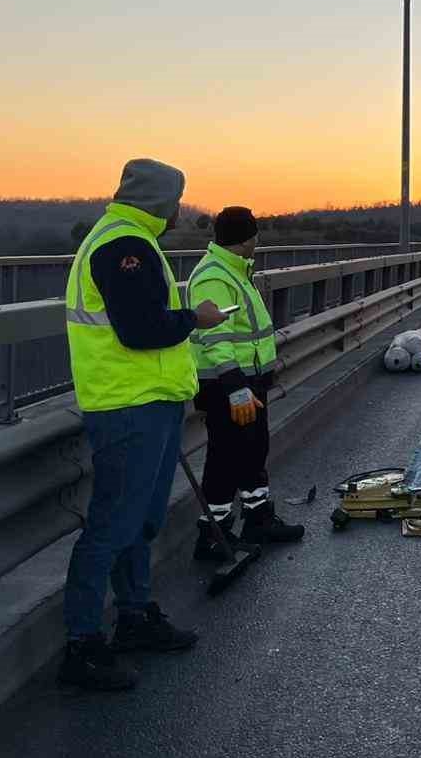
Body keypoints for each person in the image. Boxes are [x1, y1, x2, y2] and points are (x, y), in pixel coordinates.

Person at [59, 159, 229, 691]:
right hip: (127, 406)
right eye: (176, 198)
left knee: (139, 521)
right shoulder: (123, 247)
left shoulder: (130, 239)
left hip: (147, 402)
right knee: (112, 525)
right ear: (160, 199)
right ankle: (82, 646)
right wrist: (195, 319)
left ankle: (134, 615)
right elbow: (141, 331)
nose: (181, 208)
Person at [187, 206, 303, 560]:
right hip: (227, 385)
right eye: (255, 235)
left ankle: (258, 518)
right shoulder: (214, 277)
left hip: (247, 382)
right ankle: (213, 534)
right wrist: (236, 385)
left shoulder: (235, 272)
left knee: (253, 450)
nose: (258, 240)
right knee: (226, 457)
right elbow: (215, 337)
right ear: (246, 239)